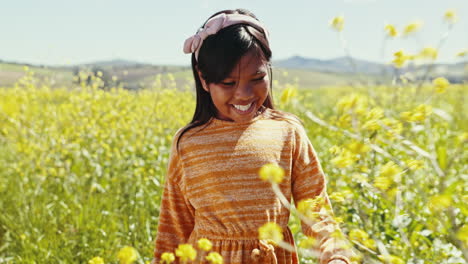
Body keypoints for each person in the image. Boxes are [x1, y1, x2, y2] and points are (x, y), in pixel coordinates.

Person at [152, 8, 354, 264]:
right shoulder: (188, 143)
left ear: (268, 70)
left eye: (257, 78)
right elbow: (174, 227)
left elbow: (316, 209)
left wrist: (335, 256)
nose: (244, 94)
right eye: (228, 83)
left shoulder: (288, 131)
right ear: (204, 80)